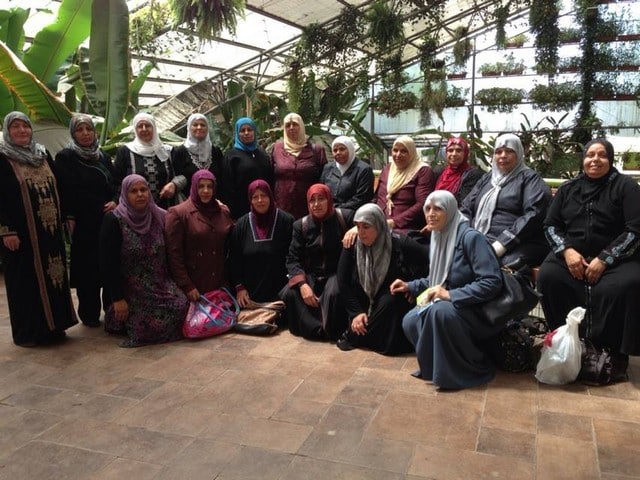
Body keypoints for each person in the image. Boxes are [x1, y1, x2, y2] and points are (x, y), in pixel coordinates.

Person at [537, 139, 640, 380]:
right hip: (572, 255)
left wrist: (605, 258)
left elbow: (635, 229)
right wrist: (567, 251)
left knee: (627, 284)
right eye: (589, 155)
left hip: (617, 257)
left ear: (610, 159)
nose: (595, 159)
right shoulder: (568, 189)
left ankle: (613, 352)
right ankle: (566, 342)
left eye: (601, 155)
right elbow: (550, 225)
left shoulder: (626, 187)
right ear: (583, 160)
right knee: (549, 277)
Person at [393, 190, 503, 390]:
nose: (431, 214)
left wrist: (450, 295)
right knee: (410, 319)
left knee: (438, 311)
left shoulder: (471, 238)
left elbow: (491, 281)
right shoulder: (439, 235)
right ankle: (435, 368)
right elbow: (438, 278)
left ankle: (462, 371)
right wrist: (410, 285)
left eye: (438, 209)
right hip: (450, 305)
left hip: (475, 309)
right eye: (427, 209)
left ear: (450, 210)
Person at [0, 111, 77, 346]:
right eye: (16, 127)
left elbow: (60, 185)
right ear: (7, 131)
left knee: (54, 276)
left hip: (50, 234)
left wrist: (67, 215)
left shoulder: (41, 154)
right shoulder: (3, 158)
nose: (22, 131)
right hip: (21, 236)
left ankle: (55, 326)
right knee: (25, 282)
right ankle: (30, 333)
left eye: (25, 126)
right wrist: (6, 230)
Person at [99, 174, 188, 347]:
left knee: (182, 305)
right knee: (148, 319)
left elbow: (183, 220)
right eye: (133, 191)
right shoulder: (114, 220)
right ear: (125, 194)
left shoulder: (158, 215)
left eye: (143, 190)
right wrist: (118, 299)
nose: (140, 194)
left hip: (160, 284)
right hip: (130, 289)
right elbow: (107, 263)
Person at [335, 204, 428, 355]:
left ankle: (355, 336)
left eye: (366, 227)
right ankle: (362, 334)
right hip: (363, 293)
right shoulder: (352, 243)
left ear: (378, 225)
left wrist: (413, 287)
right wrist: (356, 312)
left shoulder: (398, 241)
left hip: (390, 294)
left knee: (389, 303)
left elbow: (427, 260)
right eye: (358, 227)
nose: (361, 232)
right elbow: (342, 281)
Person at [55, 114, 117, 328]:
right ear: (73, 133)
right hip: (82, 223)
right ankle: (89, 314)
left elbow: (115, 183)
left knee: (108, 264)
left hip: (106, 220)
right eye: (80, 130)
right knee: (87, 269)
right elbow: (64, 190)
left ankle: (111, 310)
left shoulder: (102, 156)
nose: (85, 133)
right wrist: (69, 216)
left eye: (89, 129)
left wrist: (115, 200)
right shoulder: (66, 157)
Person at [461, 133, 551, 267]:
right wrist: (466, 235)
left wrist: (501, 244)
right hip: (479, 238)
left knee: (486, 264)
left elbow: (534, 214)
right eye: (498, 152)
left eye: (509, 151)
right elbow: (466, 207)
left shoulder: (530, 179)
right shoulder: (487, 179)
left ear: (519, 154)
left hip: (515, 243)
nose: (503, 156)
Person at [280, 183, 353, 340]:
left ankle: (330, 330)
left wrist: (355, 229)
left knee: (334, 294)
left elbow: (367, 222)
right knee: (290, 293)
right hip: (312, 274)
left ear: (329, 199)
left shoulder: (344, 218)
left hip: (337, 272)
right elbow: (293, 258)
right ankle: (312, 329)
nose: (316, 204)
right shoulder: (301, 225)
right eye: (312, 200)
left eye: (321, 199)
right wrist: (302, 284)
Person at [165, 169, 234, 302]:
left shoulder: (223, 212)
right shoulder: (179, 213)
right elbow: (174, 255)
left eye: (210, 186)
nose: (206, 191)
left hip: (220, 283)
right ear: (194, 187)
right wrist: (187, 285)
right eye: (201, 186)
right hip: (195, 285)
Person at [228, 179, 294, 306]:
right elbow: (234, 259)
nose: (260, 200)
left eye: (263, 195)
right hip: (251, 297)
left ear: (270, 196)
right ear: (250, 200)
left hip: (283, 295)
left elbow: (294, 256)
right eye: (255, 197)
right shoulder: (241, 225)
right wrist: (240, 288)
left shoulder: (286, 221)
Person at [114, 112, 195, 209]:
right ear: (135, 129)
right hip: (135, 211)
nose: (144, 129)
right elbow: (117, 181)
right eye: (140, 126)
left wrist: (174, 184)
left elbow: (183, 175)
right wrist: (115, 201)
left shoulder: (167, 151)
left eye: (148, 125)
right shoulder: (125, 152)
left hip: (166, 208)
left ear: (154, 128)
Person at [374, 135, 435, 234]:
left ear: (412, 152)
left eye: (404, 151)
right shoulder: (388, 169)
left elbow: (422, 203)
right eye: (395, 150)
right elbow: (377, 197)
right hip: (379, 222)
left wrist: (394, 222)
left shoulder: (422, 171)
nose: (398, 155)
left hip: (404, 227)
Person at [272, 113, 327, 219]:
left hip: (309, 209)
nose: (291, 128)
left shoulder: (317, 150)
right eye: (288, 125)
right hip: (282, 209)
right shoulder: (277, 149)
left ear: (301, 126)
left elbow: (324, 180)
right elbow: (271, 176)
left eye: (295, 124)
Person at [216, 117, 274, 219]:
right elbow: (227, 187)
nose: (246, 133)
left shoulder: (262, 154)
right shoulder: (231, 157)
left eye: (249, 130)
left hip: (264, 206)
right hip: (242, 210)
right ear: (237, 133)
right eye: (242, 130)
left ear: (254, 131)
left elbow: (270, 180)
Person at [320, 136, 374, 211]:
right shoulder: (328, 168)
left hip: (354, 212)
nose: (338, 153)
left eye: (342, 149)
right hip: (329, 211)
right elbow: (321, 191)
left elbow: (362, 198)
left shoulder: (364, 170)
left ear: (350, 149)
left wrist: (338, 209)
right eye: (335, 150)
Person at [433, 136, 483, 205]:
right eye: (450, 150)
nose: (454, 154)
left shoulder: (472, 175)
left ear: (465, 153)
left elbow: (465, 204)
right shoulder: (440, 172)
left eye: (458, 150)